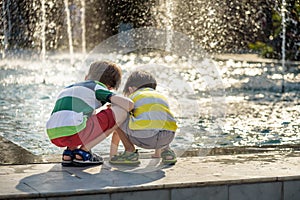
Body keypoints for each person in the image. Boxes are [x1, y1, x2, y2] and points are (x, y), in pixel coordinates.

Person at [46, 61, 134, 167]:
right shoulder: (97, 87)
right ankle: (84, 152)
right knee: (120, 112)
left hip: (53, 134)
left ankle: (69, 152)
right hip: (74, 132)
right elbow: (129, 104)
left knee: (83, 115)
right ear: (110, 87)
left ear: (86, 77)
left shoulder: (69, 87)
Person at [109, 70, 177, 165]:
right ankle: (167, 152)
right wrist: (157, 155)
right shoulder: (160, 96)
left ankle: (129, 152)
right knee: (159, 117)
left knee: (116, 115)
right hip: (168, 137)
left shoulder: (133, 96)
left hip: (145, 139)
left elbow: (117, 128)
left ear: (130, 89)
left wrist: (112, 156)